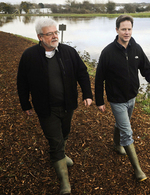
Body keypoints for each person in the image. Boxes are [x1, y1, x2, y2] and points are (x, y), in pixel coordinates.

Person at [17, 18, 93, 194]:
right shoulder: (29, 56)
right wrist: (25, 104)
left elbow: (82, 73)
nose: (54, 36)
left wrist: (87, 94)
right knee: (55, 141)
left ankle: (62, 153)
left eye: (55, 32)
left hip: (68, 105)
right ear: (39, 36)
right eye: (49, 33)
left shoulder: (69, 52)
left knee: (65, 132)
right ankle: (65, 182)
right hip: (46, 109)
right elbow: (22, 82)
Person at [95, 15, 150, 182]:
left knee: (121, 124)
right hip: (116, 100)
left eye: (129, 29)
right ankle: (138, 170)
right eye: (123, 29)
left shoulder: (136, 49)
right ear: (117, 30)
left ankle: (117, 145)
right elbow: (99, 78)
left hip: (132, 98)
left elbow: (148, 69)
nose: (126, 32)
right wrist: (100, 101)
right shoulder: (107, 52)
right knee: (127, 132)